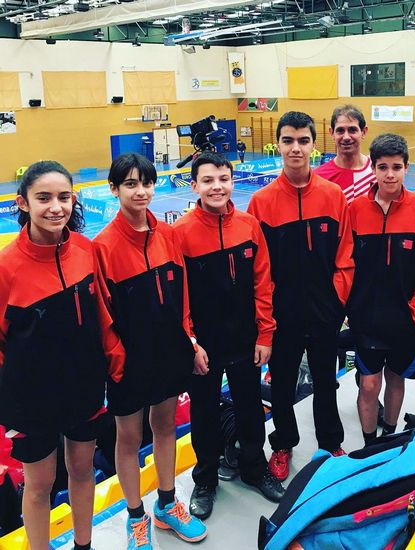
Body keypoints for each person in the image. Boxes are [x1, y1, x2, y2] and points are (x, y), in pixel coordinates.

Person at [0, 161, 125, 550]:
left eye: (63, 197)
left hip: (83, 387)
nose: (56, 207)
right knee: (39, 486)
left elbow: (102, 312)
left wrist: (114, 360)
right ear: (23, 203)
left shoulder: (86, 250)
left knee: (82, 470)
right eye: (44, 198)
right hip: (29, 401)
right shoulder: (5, 267)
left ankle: (83, 545)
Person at [93, 153, 206, 549]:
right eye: (130, 184)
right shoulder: (103, 247)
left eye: (146, 183)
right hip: (128, 362)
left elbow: (183, 297)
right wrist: (117, 360)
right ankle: (135, 516)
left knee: (165, 426)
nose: (140, 191)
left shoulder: (168, 236)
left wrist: (189, 342)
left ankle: (167, 504)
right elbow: (102, 313)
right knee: (128, 438)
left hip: (168, 353)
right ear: (114, 189)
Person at [173, 151, 284, 520]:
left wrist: (265, 333)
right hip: (204, 346)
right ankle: (205, 479)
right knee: (203, 413)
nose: (216, 187)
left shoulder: (250, 226)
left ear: (232, 182)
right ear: (194, 186)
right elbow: (179, 297)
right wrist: (191, 343)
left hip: (244, 339)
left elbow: (263, 283)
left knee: (250, 406)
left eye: (223, 179)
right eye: (208, 180)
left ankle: (254, 468)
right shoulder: (180, 233)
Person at [247, 111, 354, 481]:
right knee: (281, 384)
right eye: (288, 140)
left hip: (325, 311)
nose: (296, 148)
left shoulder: (333, 195)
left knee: (326, 380)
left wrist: (337, 302)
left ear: (314, 145)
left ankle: (331, 443)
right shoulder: (261, 202)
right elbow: (259, 269)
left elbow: (345, 254)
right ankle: (283, 444)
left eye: (303, 141)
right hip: (283, 315)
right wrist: (267, 315)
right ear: (277, 144)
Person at [347, 134, 415, 445]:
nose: (390, 174)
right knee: (369, 384)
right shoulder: (355, 209)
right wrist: (349, 308)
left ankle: (389, 435)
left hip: (405, 319)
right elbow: (345, 262)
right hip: (367, 319)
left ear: (406, 168)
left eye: (397, 167)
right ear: (373, 168)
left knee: (396, 379)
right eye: (383, 167)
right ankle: (369, 444)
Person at [315, 104, 377, 203]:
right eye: (340, 130)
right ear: (332, 133)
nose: (346, 137)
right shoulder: (319, 177)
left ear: (363, 132)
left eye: (352, 130)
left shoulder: (378, 172)